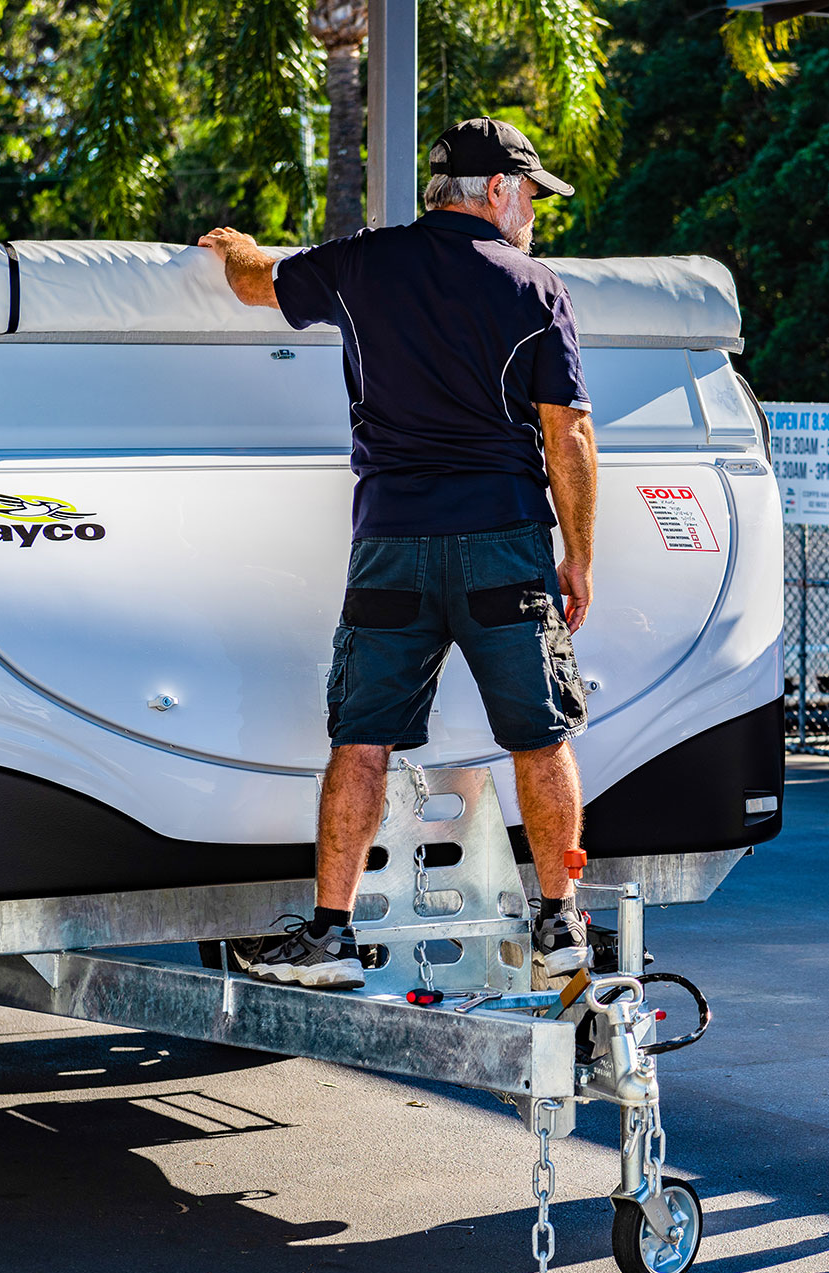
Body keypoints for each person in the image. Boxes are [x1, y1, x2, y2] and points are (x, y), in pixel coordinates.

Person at [197, 117, 599, 988]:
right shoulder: (534, 288)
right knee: (539, 737)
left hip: (392, 544)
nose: (532, 209)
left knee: (362, 741)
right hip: (503, 542)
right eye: (529, 191)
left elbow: (255, 283)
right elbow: (566, 435)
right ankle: (562, 923)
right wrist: (580, 557)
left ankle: (331, 936)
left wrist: (234, 243)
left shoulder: (362, 264)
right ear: (495, 190)